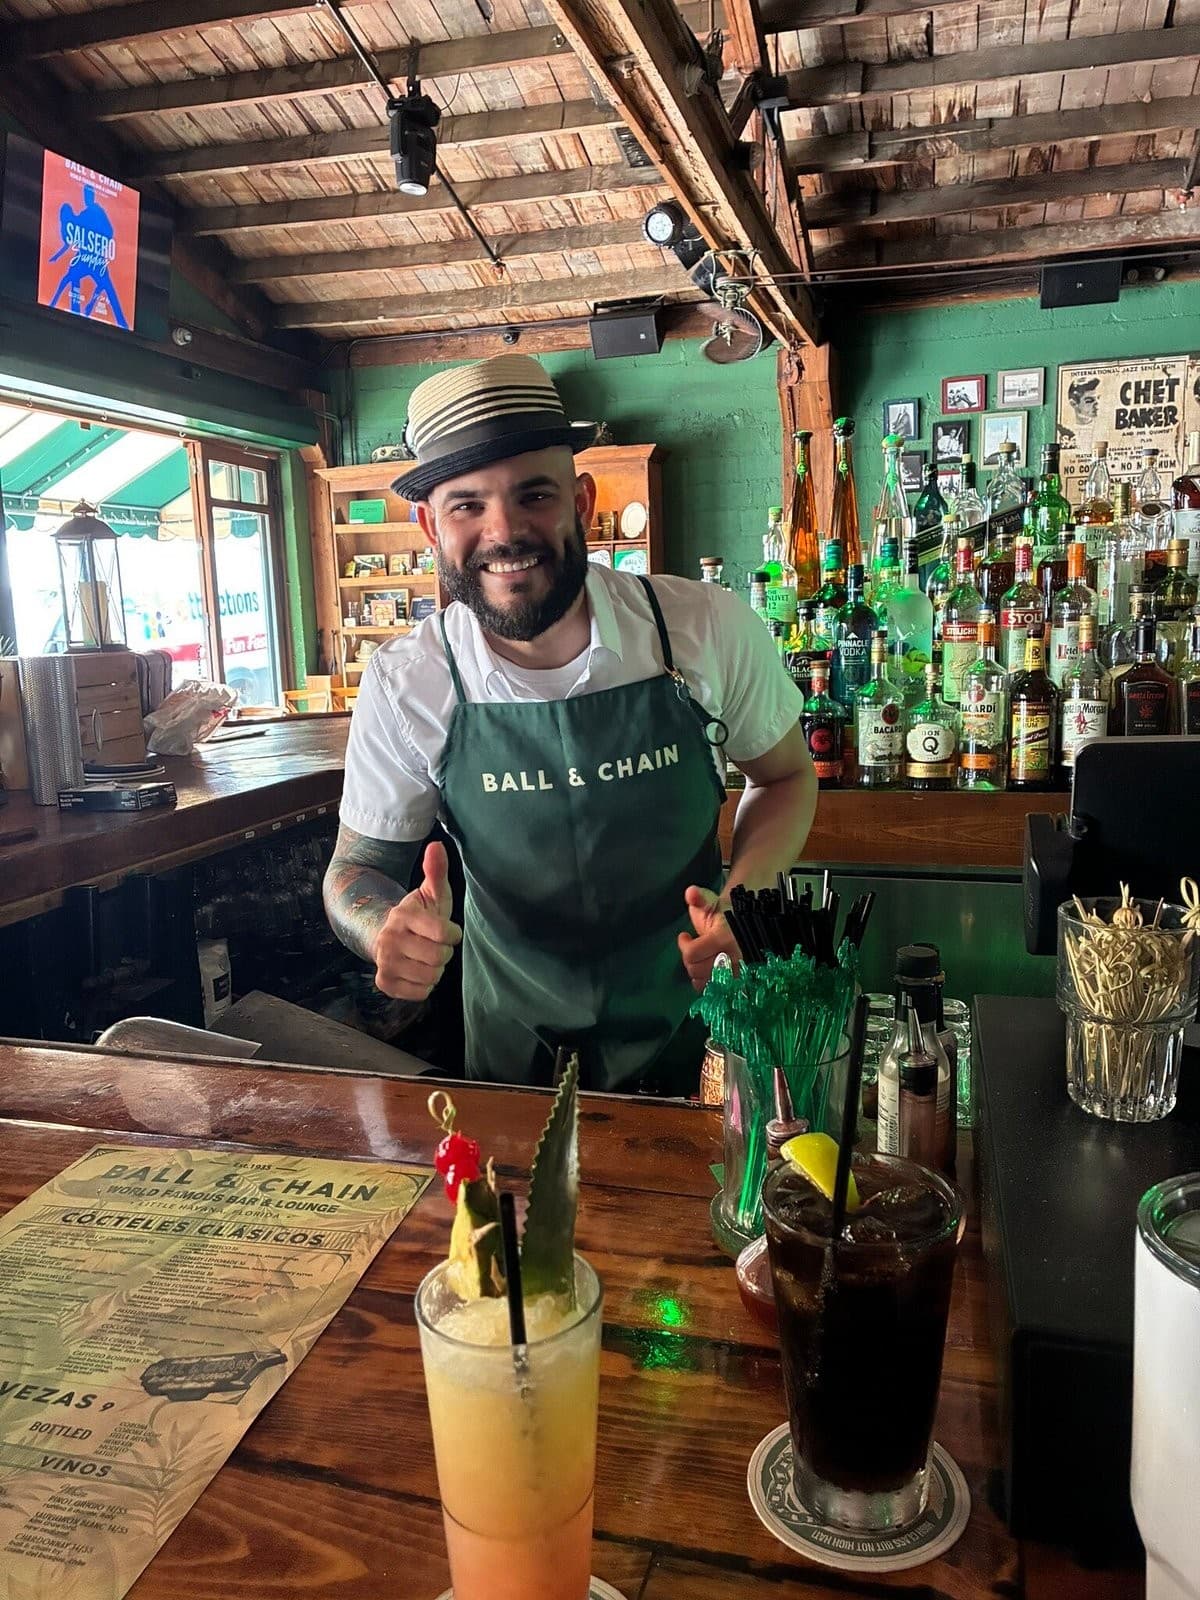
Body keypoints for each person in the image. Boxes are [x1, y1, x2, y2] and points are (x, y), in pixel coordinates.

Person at [323, 354, 817, 1093]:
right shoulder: (407, 683)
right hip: (513, 1068)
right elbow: (354, 871)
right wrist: (381, 929)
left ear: (581, 502)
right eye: (466, 505)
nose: (504, 532)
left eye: (534, 494)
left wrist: (743, 907)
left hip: (705, 1039)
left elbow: (783, 778)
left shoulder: (702, 628)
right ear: (429, 524)